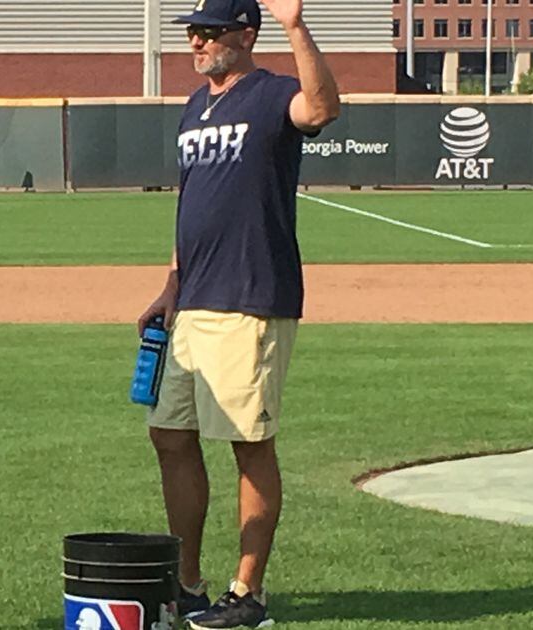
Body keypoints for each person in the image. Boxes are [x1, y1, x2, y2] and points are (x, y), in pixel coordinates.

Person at [138, 0, 340, 628]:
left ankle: (248, 594)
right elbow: (190, 199)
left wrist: (295, 26)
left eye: (206, 33)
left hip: (250, 297)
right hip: (194, 301)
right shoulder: (195, 107)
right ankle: (189, 585)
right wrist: (172, 283)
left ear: (243, 35)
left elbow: (324, 109)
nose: (194, 43)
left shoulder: (273, 93)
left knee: (249, 445)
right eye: (191, 33)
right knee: (169, 435)